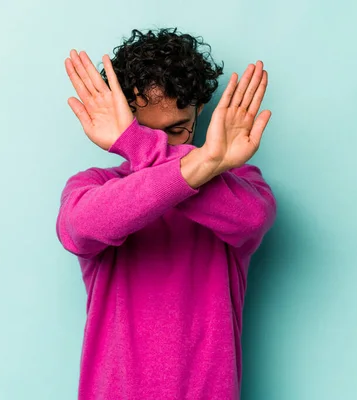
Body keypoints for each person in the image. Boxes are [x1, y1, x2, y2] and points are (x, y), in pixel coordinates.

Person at [57, 27, 276, 400]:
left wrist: (136, 143)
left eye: (177, 130)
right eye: (144, 133)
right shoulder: (92, 186)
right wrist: (202, 159)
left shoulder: (239, 182)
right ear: (124, 120)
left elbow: (252, 219)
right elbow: (81, 228)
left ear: (199, 110)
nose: (161, 144)